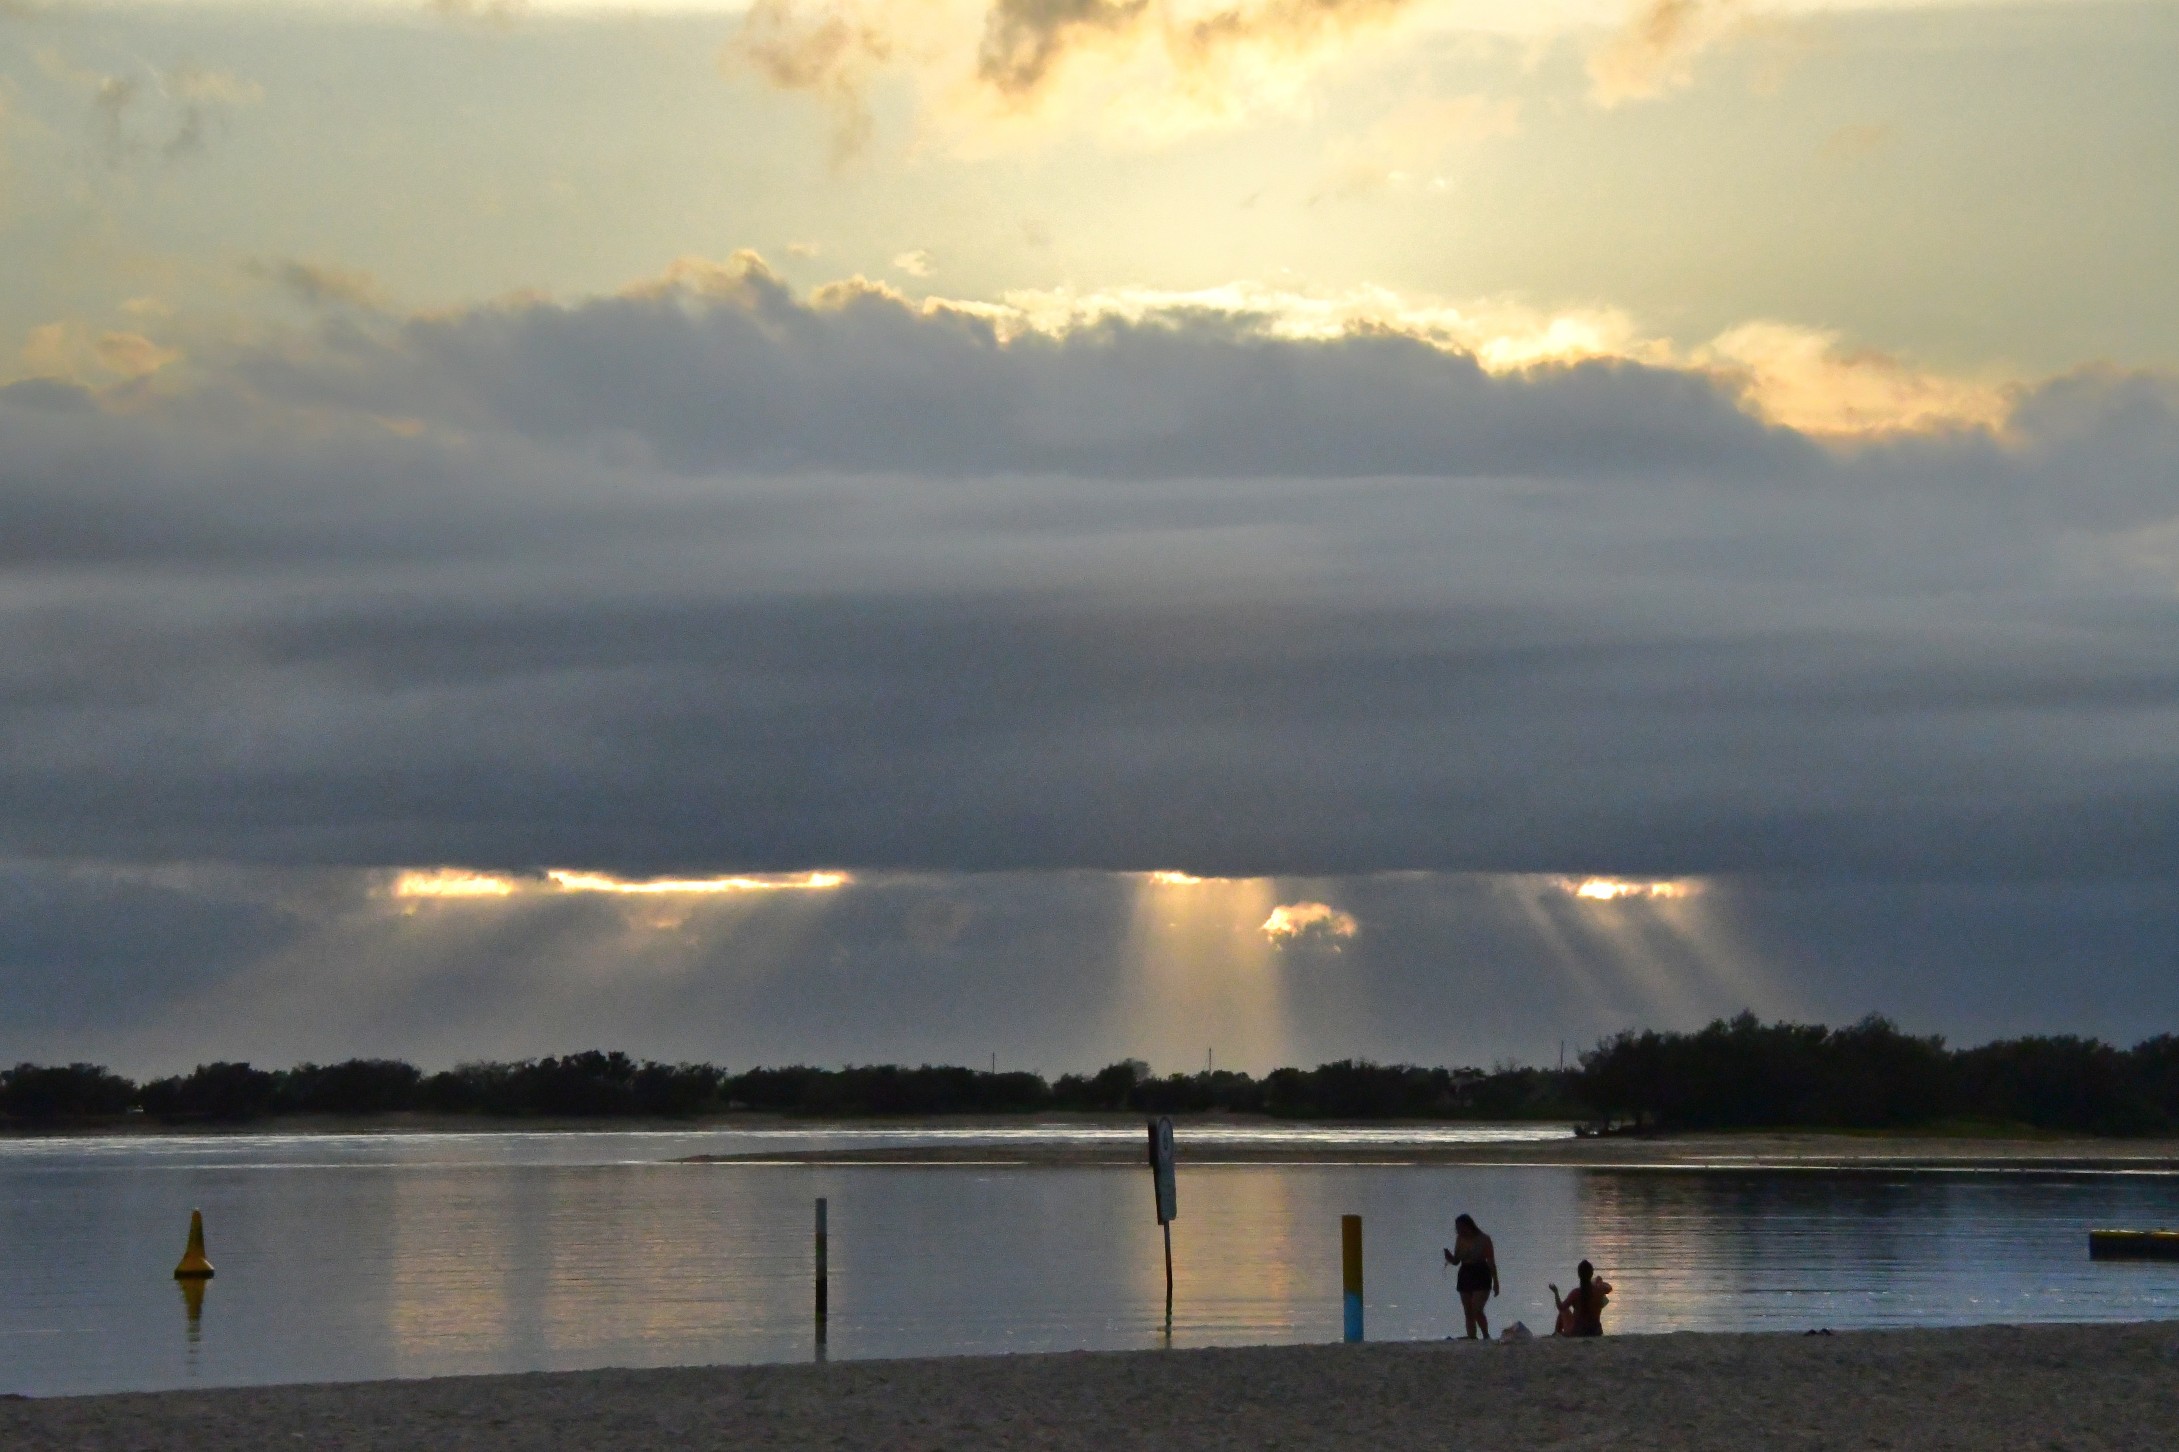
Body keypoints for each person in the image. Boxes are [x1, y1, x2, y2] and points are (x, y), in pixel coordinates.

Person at [1442, 1212, 1499, 1340]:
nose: (1458, 1230)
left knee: (1477, 1309)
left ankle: (1486, 1335)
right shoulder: (1460, 1239)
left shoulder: (1484, 1239)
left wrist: (1496, 1282)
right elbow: (1457, 1261)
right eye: (1457, 1228)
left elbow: (1491, 1261)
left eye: (1460, 1227)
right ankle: (1472, 1336)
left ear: (1468, 1226)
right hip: (1465, 1272)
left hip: (1481, 1272)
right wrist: (1449, 1257)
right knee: (1468, 1310)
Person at [1550, 1260, 1612, 1337]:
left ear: (1579, 1275)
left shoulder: (1576, 1293)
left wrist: (1556, 1292)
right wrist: (1598, 1282)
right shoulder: (1599, 1290)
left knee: (1564, 1311)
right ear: (1592, 1273)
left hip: (1578, 1332)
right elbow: (1609, 1288)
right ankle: (1558, 1334)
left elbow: (1561, 1307)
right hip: (1596, 1331)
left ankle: (1556, 1334)